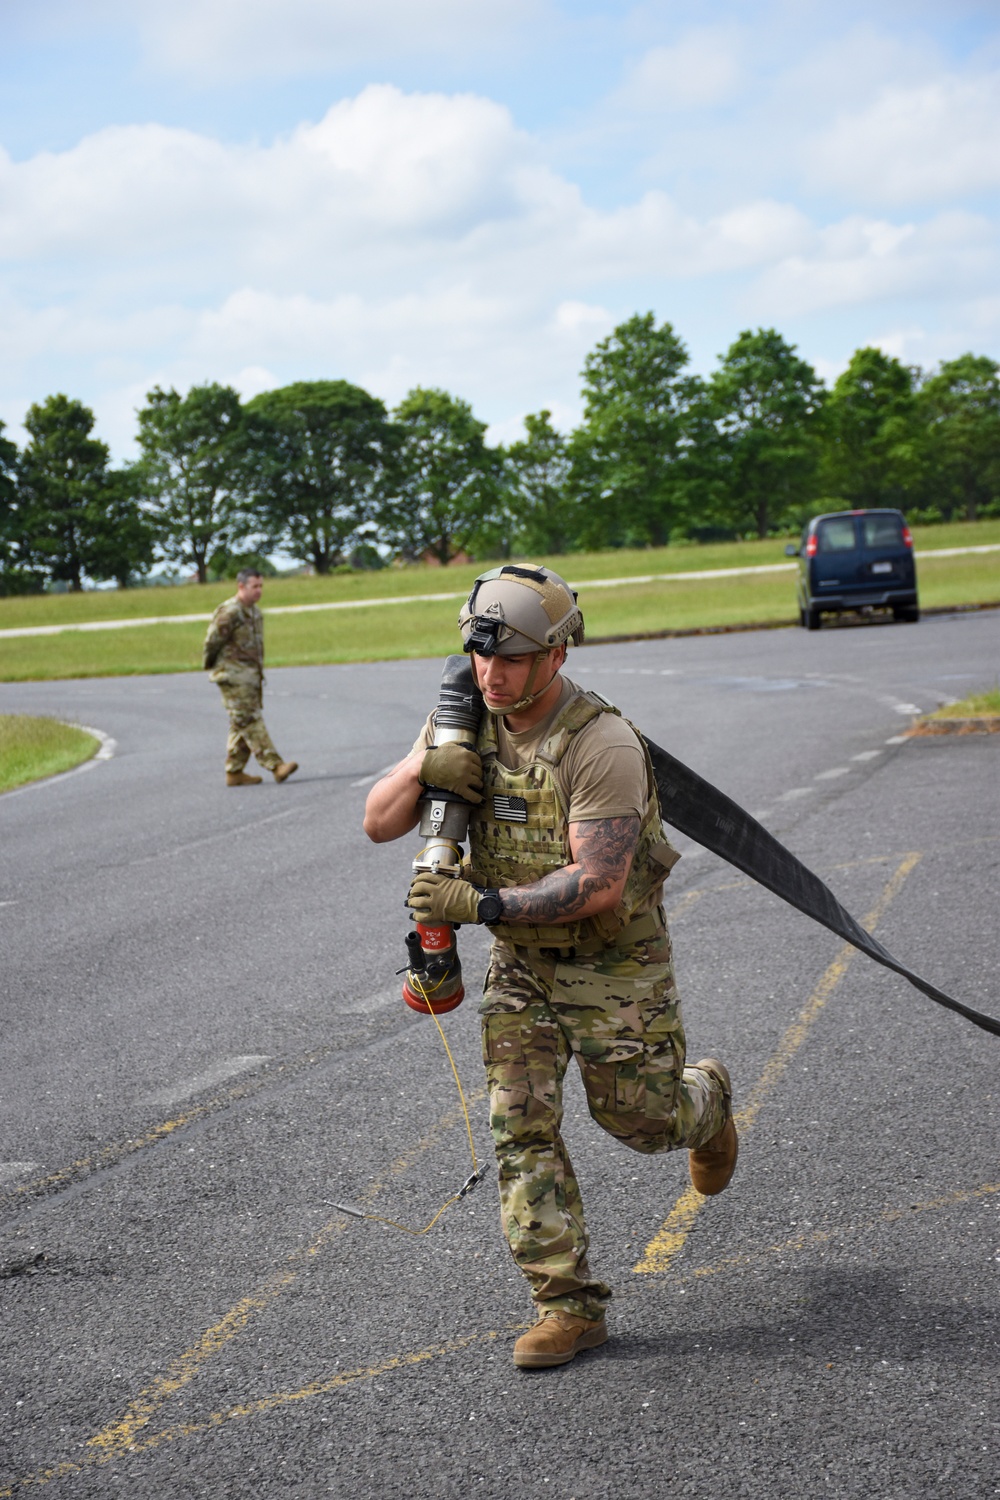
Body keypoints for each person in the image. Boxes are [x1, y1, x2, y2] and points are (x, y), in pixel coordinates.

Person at [363, 564, 737, 1370]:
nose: (491, 675)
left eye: (513, 660)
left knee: (641, 1123)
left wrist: (481, 905)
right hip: (522, 970)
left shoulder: (601, 744)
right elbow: (377, 822)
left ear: (556, 656)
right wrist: (422, 770)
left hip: (614, 962)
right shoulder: (461, 720)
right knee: (519, 1130)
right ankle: (567, 1305)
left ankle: (707, 1103)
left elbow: (598, 884)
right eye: (480, 655)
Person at [202, 568, 298, 787]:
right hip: (232, 677)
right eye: (255, 586)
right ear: (241, 586)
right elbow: (211, 642)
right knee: (250, 720)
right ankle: (276, 765)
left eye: (261, 586)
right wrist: (215, 668)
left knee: (241, 722)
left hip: (250, 677)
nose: (259, 591)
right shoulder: (230, 612)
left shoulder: (254, 612)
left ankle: (234, 772)